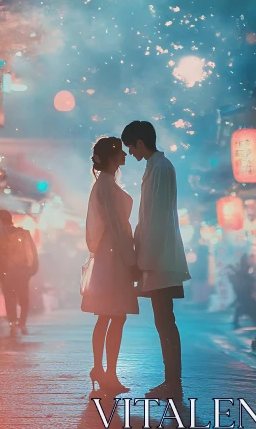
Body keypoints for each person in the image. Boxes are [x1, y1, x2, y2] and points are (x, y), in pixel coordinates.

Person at [121, 120, 190, 399]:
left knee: (165, 321)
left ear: (140, 142)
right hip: (156, 256)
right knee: (164, 321)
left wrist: (143, 260)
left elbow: (157, 219)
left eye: (131, 146)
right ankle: (171, 381)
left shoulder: (160, 167)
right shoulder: (156, 166)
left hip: (159, 258)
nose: (130, 153)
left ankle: (172, 383)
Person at [81, 137, 138, 394]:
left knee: (108, 315)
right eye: (121, 154)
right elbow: (116, 226)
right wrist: (130, 259)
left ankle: (100, 369)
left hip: (108, 254)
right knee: (115, 315)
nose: (125, 157)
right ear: (113, 158)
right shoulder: (106, 186)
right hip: (114, 255)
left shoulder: (103, 184)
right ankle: (108, 372)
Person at [0, 210, 39, 337]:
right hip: (23, 271)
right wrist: (32, 270)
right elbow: (32, 253)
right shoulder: (24, 233)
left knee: (10, 298)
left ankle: (13, 324)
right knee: (24, 299)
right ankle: (22, 323)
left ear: (0, 220)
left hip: (6, 272)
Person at [227, 254, 256, 329]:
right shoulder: (243, 269)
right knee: (248, 307)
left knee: (245, 307)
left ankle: (236, 322)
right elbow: (243, 276)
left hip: (244, 292)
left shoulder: (244, 268)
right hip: (244, 292)